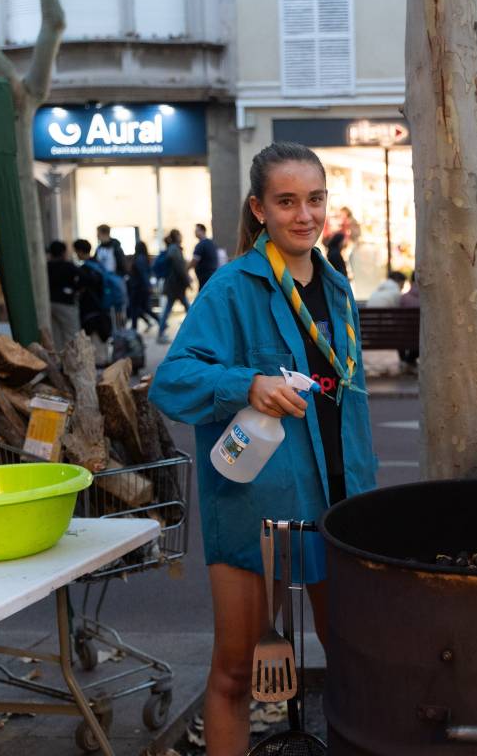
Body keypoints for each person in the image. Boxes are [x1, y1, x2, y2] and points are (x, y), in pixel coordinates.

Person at [150, 141, 377, 755]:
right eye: (286, 202)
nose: (304, 215)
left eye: (315, 199)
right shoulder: (232, 288)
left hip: (339, 505)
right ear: (258, 209)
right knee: (235, 673)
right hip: (257, 509)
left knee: (358, 665)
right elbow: (171, 381)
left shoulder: (335, 286)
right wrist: (243, 384)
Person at [72, 239, 114, 363]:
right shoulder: (98, 265)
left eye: (76, 251)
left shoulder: (84, 269)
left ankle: (99, 370)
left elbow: (79, 288)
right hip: (103, 309)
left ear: (80, 251)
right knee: (102, 342)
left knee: (94, 343)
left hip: (90, 310)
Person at [156, 229, 192, 344]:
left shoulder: (173, 249)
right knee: (188, 308)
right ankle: (160, 333)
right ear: (176, 236)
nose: (181, 237)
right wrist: (188, 280)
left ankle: (161, 332)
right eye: (180, 235)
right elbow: (180, 268)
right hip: (176, 285)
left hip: (174, 285)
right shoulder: (174, 249)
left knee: (172, 308)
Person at [128, 240, 160, 332]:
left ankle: (134, 328)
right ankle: (159, 321)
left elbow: (143, 274)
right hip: (142, 287)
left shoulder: (139, 259)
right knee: (143, 308)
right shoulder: (144, 258)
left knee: (135, 308)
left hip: (139, 288)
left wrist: (148, 286)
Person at [191, 223, 219, 290]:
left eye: (197, 230)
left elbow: (194, 261)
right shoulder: (211, 243)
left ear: (202, 231)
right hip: (212, 275)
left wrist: (186, 269)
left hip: (205, 277)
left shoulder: (201, 245)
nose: (195, 232)